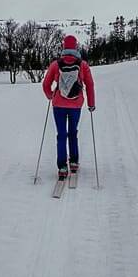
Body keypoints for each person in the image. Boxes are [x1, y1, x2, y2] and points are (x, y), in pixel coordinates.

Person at [41, 35, 96, 180]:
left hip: (58, 105)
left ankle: (62, 167)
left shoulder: (55, 64)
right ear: (76, 47)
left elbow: (46, 84)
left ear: (64, 46)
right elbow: (90, 85)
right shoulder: (83, 65)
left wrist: (50, 95)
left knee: (61, 134)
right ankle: (74, 162)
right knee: (73, 132)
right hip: (76, 105)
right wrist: (91, 104)